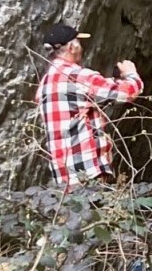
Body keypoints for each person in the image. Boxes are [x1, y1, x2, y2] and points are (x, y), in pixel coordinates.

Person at [36, 23, 144, 188]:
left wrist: (113, 80)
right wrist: (131, 74)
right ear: (72, 47)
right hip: (87, 175)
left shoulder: (45, 84)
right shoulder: (77, 76)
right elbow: (128, 92)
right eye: (79, 43)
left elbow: (82, 104)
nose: (81, 48)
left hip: (64, 179)